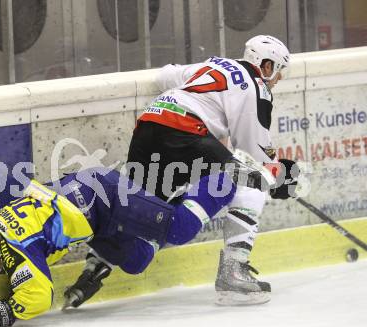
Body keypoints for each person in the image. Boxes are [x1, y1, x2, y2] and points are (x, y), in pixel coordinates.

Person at [0, 165, 246, 327]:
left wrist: (5, 311)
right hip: (93, 212)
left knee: (180, 228)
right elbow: (42, 254)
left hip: (107, 198)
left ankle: (231, 175)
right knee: (137, 260)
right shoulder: (0, 221)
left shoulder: (15, 248)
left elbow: (39, 295)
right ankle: (101, 259)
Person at [125, 35, 297, 305]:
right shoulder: (257, 89)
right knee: (254, 181)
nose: (279, 77)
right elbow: (255, 156)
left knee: (140, 205)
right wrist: (278, 175)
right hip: (185, 132)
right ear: (265, 65)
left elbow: (164, 76)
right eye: (278, 69)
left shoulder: (214, 65)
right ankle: (233, 271)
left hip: (149, 123)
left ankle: (96, 263)